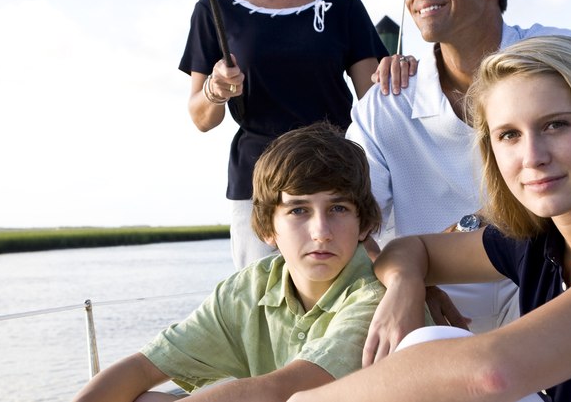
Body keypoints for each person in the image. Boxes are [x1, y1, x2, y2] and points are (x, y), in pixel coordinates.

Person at [291, 37, 571, 402]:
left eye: (556, 125)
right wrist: (408, 286)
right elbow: (410, 249)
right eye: (509, 135)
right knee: (425, 339)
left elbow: (492, 373)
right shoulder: (540, 243)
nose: (532, 157)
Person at [346, 0, 571, 332]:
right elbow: (348, 218)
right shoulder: (384, 105)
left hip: (558, 283)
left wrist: (471, 224)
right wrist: (406, 280)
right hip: (435, 306)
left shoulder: (562, 57)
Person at [71, 122, 385, 402]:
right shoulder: (248, 289)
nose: (321, 232)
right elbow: (143, 367)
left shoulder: (377, 299)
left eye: (339, 208)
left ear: (363, 222)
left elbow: (284, 390)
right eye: (298, 210)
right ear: (267, 228)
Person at [179, 0, 387, 269]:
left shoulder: (343, 8)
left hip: (334, 188)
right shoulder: (215, 10)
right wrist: (214, 91)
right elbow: (202, 119)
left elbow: (375, 106)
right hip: (258, 189)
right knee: (267, 315)